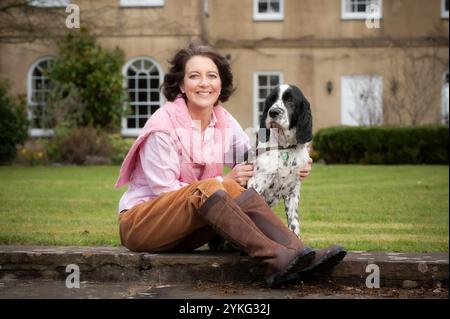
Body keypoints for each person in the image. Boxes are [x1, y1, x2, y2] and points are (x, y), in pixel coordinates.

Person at [115, 43, 346, 288]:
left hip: (189, 230)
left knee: (235, 189)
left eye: (212, 76)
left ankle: (299, 252)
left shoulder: (222, 120)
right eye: (194, 76)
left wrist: (297, 161)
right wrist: (222, 182)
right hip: (142, 225)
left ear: (220, 84)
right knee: (216, 187)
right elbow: (165, 191)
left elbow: (255, 157)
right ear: (182, 85)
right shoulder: (162, 128)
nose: (204, 83)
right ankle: (275, 259)